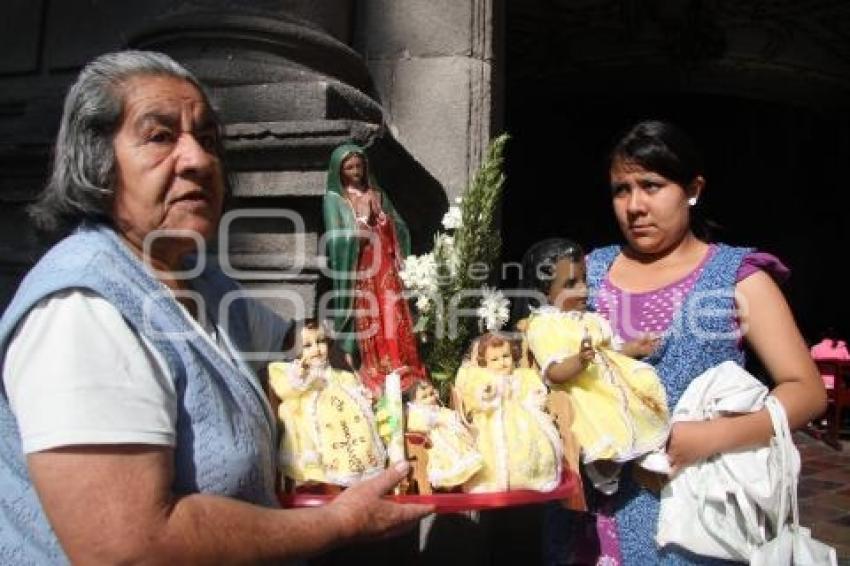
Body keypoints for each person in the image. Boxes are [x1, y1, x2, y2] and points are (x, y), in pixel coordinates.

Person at [0, 50, 432, 564]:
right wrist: (337, 523)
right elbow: (131, 548)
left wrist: (401, 362)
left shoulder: (198, 278)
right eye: (160, 137)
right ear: (98, 165)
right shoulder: (81, 309)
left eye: (207, 140)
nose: (199, 160)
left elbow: (299, 342)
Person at [582, 119, 826, 565]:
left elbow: (807, 391)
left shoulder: (736, 277)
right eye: (622, 189)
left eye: (652, 186)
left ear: (693, 189)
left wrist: (710, 436)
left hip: (694, 518)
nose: (635, 205)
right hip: (590, 522)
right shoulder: (586, 272)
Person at [521, 238, 670, 493]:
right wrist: (579, 360)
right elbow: (554, 371)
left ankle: (643, 448)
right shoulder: (545, 326)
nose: (583, 290)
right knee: (602, 416)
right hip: (580, 389)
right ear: (545, 291)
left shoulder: (589, 318)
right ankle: (602, 465)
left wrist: (633, 349)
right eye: (570, 284)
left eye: (584, 280)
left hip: (608, 376)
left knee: (642, 385)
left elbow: (609, 350)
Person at [322, 143, 427, 395]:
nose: (355, 171)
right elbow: (335, 238)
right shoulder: (334, 200)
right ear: (339, 170)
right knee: (371, 315)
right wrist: (357, 227)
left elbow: (397, 225)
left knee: (393, 312)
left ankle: (401, 362)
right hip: (361, 269)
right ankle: (376, 366)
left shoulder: (376, 193)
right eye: (349, 167)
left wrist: (382, 220)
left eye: (359, 166)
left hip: (385, 266)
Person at [268, 320, 386, 488]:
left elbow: (351, 385)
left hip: (347, 422)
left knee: (360, 425)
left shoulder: (338, 373)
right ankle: (327, 477)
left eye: (321, 342)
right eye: (307, 345)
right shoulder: (296, 372)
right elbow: (285, 389)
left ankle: (360, 471)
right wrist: (300, 376)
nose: (316, 349)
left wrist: (362, 397)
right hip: (320, 422)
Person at [454, 332, 563, 493]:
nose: (502, 363)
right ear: (485, 362)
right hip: (490, 419)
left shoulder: (521, 375)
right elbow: (473, 396)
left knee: (529, 446)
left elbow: (533, 391)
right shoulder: (481, 376)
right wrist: (486, 392)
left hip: (522, 419)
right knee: (489, 451)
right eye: (495, 359)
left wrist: (534, 398)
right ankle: (490, 480)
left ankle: (529, 478)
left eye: (506, 356)